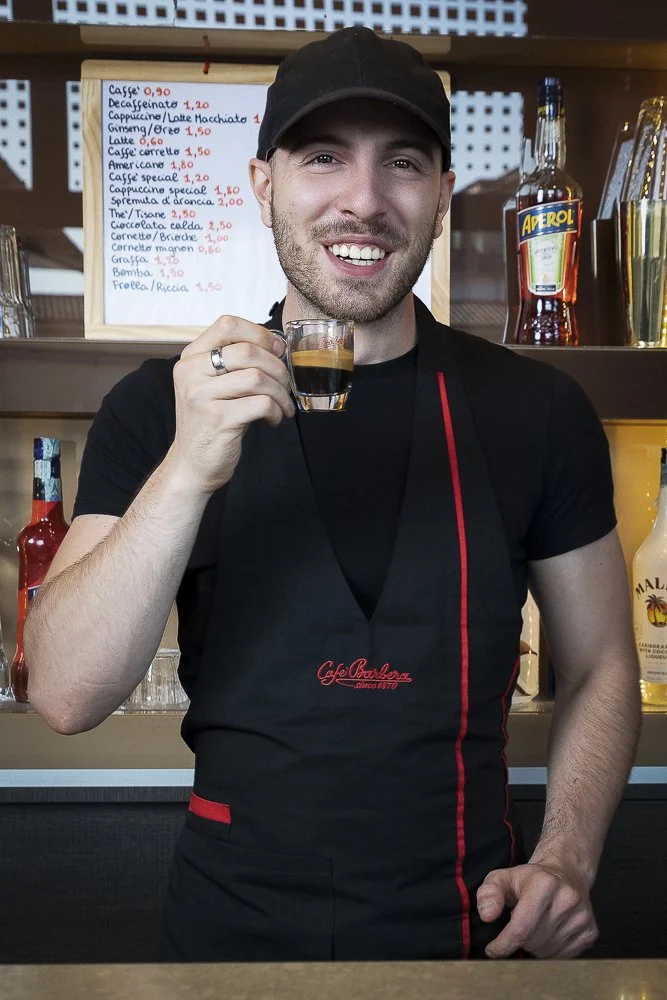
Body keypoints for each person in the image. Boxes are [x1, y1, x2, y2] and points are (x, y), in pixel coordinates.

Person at [25, 27, 641, 962]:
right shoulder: (160, 406)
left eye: (401, 163)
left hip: (473, 940)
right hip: (226, 948)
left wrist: (566, 856)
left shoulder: (538, 412)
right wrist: (187, 466)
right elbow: (66, 694)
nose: (363, 201)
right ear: (263, 183)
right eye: (323, 157)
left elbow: (600, 665)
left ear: (439, 196)